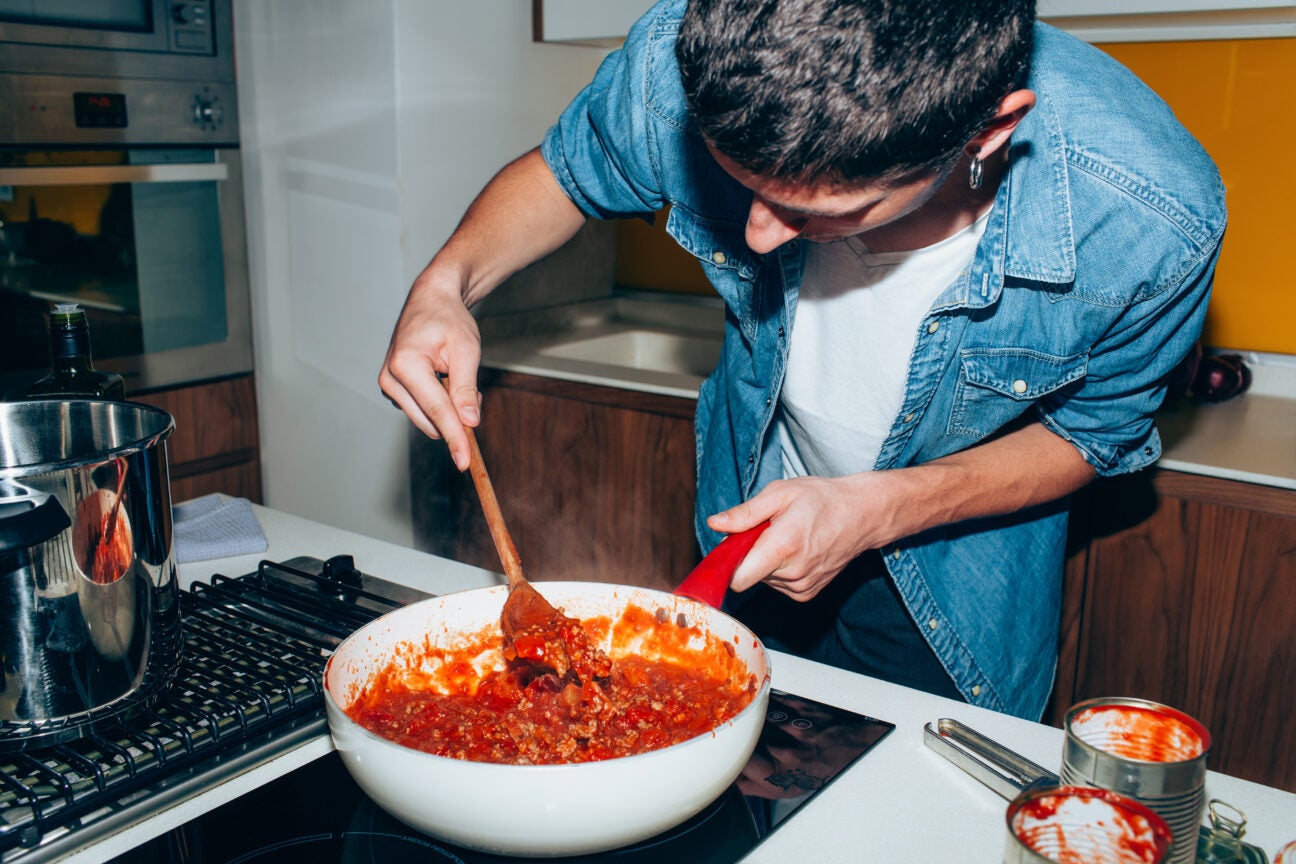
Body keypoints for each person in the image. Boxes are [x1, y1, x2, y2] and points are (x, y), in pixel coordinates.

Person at [380, 0, 1225, 721]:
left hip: (953, 588)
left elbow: (1093, 436)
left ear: (992, 127)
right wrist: (446, 281)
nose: (753, 235)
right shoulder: (693, 56)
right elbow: (564, 174)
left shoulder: (1147, 214)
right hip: (751, 531)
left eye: (819, 210)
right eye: (735, 179)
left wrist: (876, 509)